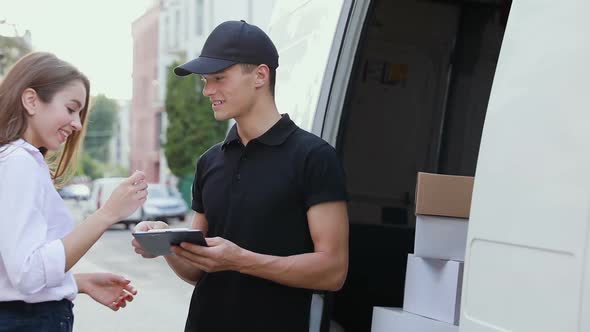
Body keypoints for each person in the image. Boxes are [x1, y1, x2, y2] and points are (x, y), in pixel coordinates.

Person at [132, 20, 349, 331]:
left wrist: (240, 259)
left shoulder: (314, 157)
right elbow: (199, 271)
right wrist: (165, 243)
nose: (208, 91)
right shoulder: (209, 162)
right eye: (206, 81)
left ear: (260, 75)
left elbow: (333, 271)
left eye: (219, 78)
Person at [0, 52, 147, 331]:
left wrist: (76, 282)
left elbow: (12, 270)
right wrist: (107, 214)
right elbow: (28, 274)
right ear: (31, 100)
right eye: (71, 109)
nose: (78, 124)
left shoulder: (13, 160)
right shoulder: (18, 162)